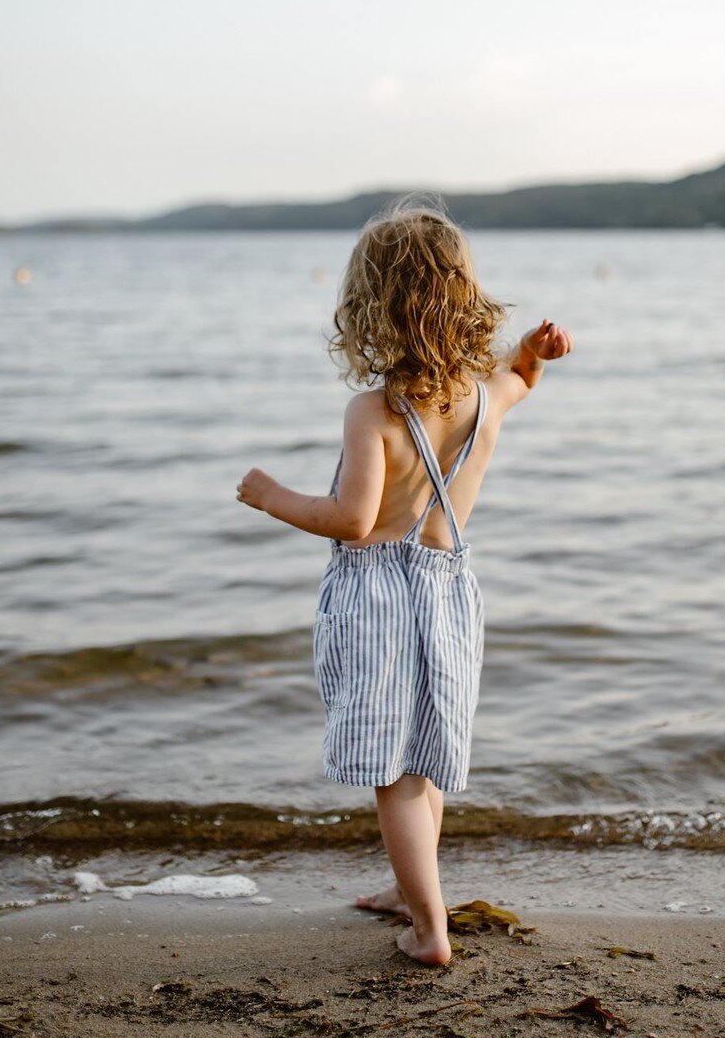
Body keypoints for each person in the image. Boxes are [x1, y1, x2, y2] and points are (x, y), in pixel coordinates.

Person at [236, 199, 573, 965]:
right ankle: (410, 885)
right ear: (463, 303)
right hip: (450, 590)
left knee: (391, 771)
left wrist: (271, 496)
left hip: (381, 595)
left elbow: (353, 521)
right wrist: (534, 351)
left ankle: (429, 929)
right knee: (429, 747)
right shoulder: (486, 398)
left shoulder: (373, 413)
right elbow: (521, 378)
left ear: (372, 311)